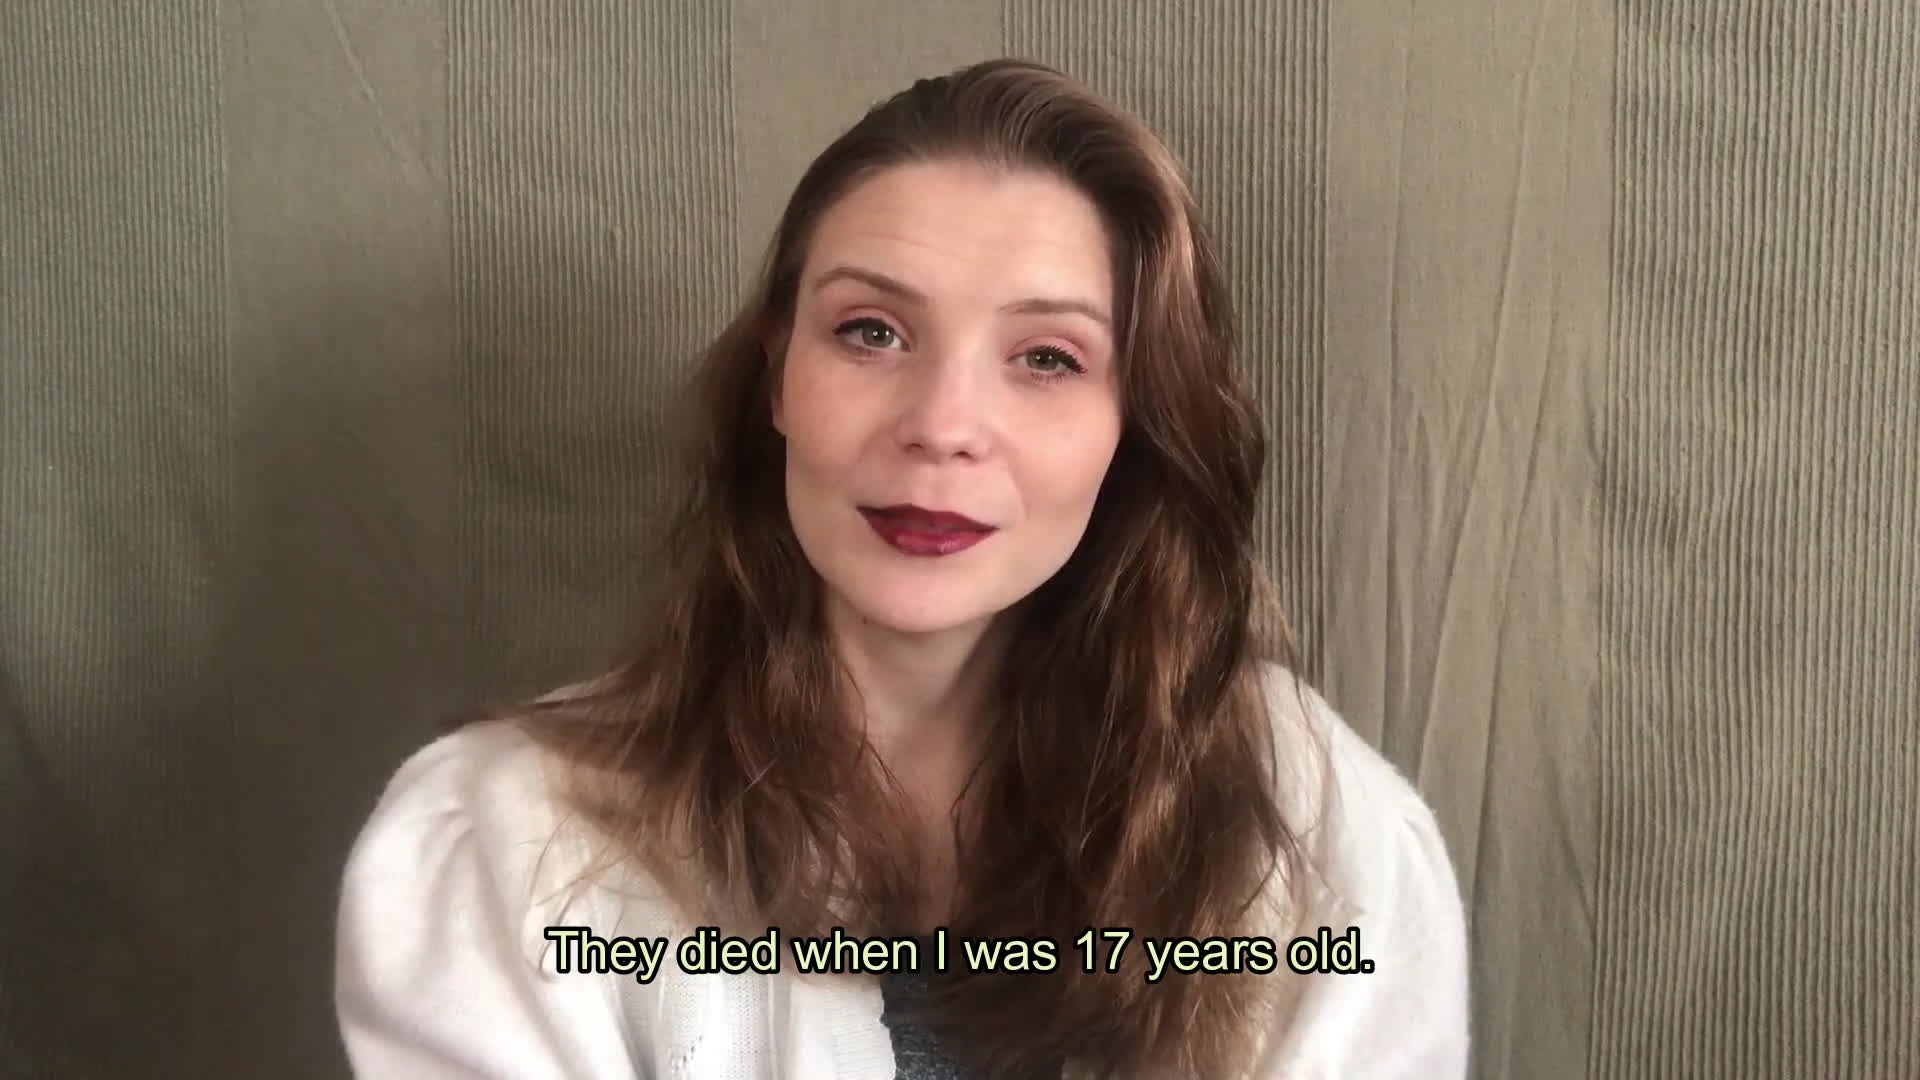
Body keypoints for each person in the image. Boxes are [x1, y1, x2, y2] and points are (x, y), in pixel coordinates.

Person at [334, 58, 1470, 1079]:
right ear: (779, 376)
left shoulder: (1314, 834)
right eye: (871, 332)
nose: (942, 426)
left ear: (1133, 424)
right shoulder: (507, 842)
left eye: (1046, 357)